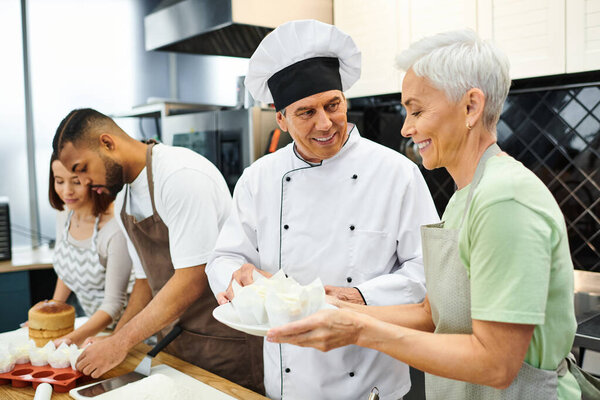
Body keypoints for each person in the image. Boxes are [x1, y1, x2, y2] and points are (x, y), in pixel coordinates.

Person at [266, 30, 593, 400]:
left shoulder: (505, 198)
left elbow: (496, 364)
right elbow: (431, 311)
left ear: (471, 107)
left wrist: (358, 330)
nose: (406, 128)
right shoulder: (466, 195)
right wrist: (333, 309)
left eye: (417, 110)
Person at [206, 20, 439, 400]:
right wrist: (237, 278)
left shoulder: (397, 173)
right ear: (280, 119)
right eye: (306, 112)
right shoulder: (259, 178)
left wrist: (361, 295)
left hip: (369, 381)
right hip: (286, 381)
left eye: (333, 105)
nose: (326, 122)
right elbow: (223, 257)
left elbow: (427, 272)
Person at [52, 109, 264, 393]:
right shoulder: (126, 198)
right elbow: (145, 283)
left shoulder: (179, 176)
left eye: (82, 169)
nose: (86, 183)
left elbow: (192, 278)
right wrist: (115, 340)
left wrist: (121, 343)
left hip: (223, 346)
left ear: (107, 143)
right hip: (175, 346)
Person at [47, 153, 134, 346]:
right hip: (92, 330)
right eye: (59, 181)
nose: (66, 191)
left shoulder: (114, 230)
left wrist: (70, 339)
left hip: (126, 332)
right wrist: (50, 314)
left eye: (76, 182)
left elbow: (113, 304)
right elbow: (68, 270)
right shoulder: (64, 215)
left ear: (93, 181)